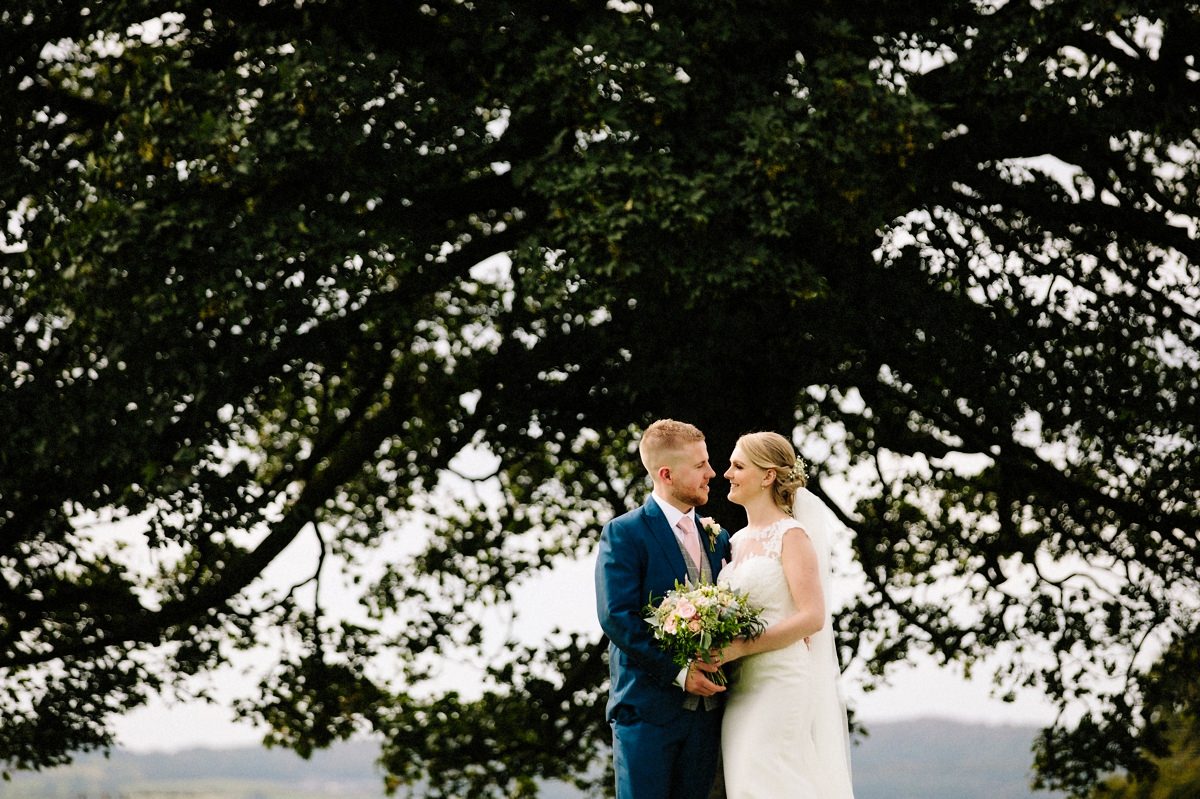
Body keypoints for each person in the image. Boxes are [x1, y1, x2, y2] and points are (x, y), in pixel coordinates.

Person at [595, 419, 733, 799]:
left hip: (707, 718)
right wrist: (679, 672)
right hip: (646, 714)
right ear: (667, 474)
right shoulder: (625, 533)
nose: (712, 473)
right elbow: (616, 617)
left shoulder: (717, 537)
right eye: (700, 465)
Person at [714, 431, 855, 798]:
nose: (727, 473)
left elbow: (812, 617)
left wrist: (742, 647)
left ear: (768, 476)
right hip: (741, 687)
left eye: (738, 465)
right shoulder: (734, 541)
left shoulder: (792, 536)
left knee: (768, 781)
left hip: (780, 682)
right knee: (746, 784)